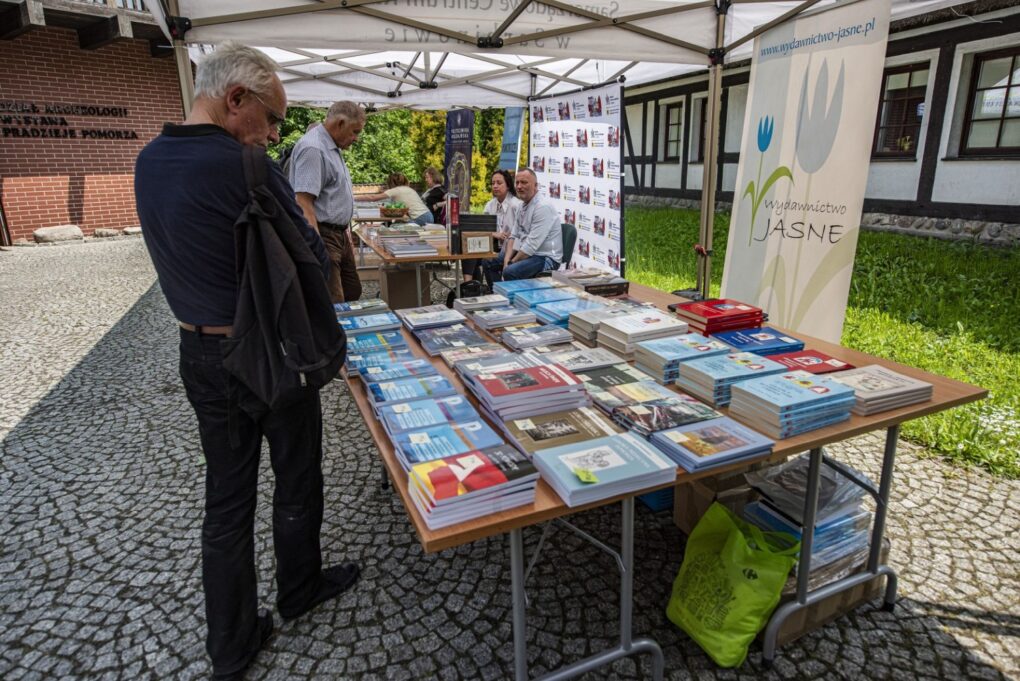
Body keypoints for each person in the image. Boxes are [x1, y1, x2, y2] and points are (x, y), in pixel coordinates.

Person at [134, 43, 359, 680]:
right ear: (236, 100)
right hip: (268, 350)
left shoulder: (147, 162)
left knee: (226, 502)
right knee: (296, 475)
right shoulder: (247, 168)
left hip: (197, 350)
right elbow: (310, 254)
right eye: (272, 118)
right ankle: (299, 587)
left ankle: (230, 646)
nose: (274, 134)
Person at [289, 101, 366, 303]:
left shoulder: (332, 145)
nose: (356, 138)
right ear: (340, 123)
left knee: (352, 290)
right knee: (333, 299)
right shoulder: (314, 148)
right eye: (354, 131)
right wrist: (316, 247)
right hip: (323, 233)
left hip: (338, 233)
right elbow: (303, 203)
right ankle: (335, 334)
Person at [482, 168, 562, 283]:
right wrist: (506, 260)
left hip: (545, 257)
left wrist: (512, 262)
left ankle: (510, 299)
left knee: (510, 271)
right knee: (488, 261)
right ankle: (498, 295)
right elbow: (513, 236)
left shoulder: (542, 207)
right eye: (517, 183)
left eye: (524, 182)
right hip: (527, 253)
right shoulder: (521, 206)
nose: (519, 186)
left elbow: (531, 246)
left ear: (535, 186)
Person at [470, 169, 522, 282]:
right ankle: (472, 286)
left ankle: (497, 292)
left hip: (512, 248)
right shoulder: (490, 205)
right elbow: (481, 228)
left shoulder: (516, 205)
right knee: (468, 254)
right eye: (493, 183)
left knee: (488, 261)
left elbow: (520, 234)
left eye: (499, 183)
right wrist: (495, 234)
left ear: (508, 185)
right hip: (493, 246)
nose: (495, 186)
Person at [360, 173, 434, 226]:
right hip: (429, 216)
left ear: (390, 183)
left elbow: (373, 198)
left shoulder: (395, 190)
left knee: (394, 227)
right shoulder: (410, 189)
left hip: (419, 218)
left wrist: (354, 198)